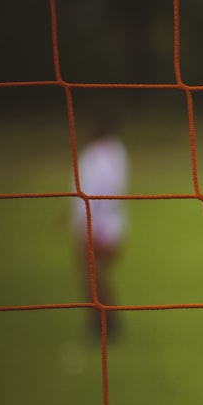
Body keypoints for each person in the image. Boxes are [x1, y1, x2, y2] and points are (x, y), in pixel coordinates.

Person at [70, 113, 129, 340]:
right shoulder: (115, 151)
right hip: (104, 222)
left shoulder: (100, 156)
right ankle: (102, 321)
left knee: (93, 274)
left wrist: (96, 229)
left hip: (99, 225)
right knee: (94, 274)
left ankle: (105, 322)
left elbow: (100, 193)